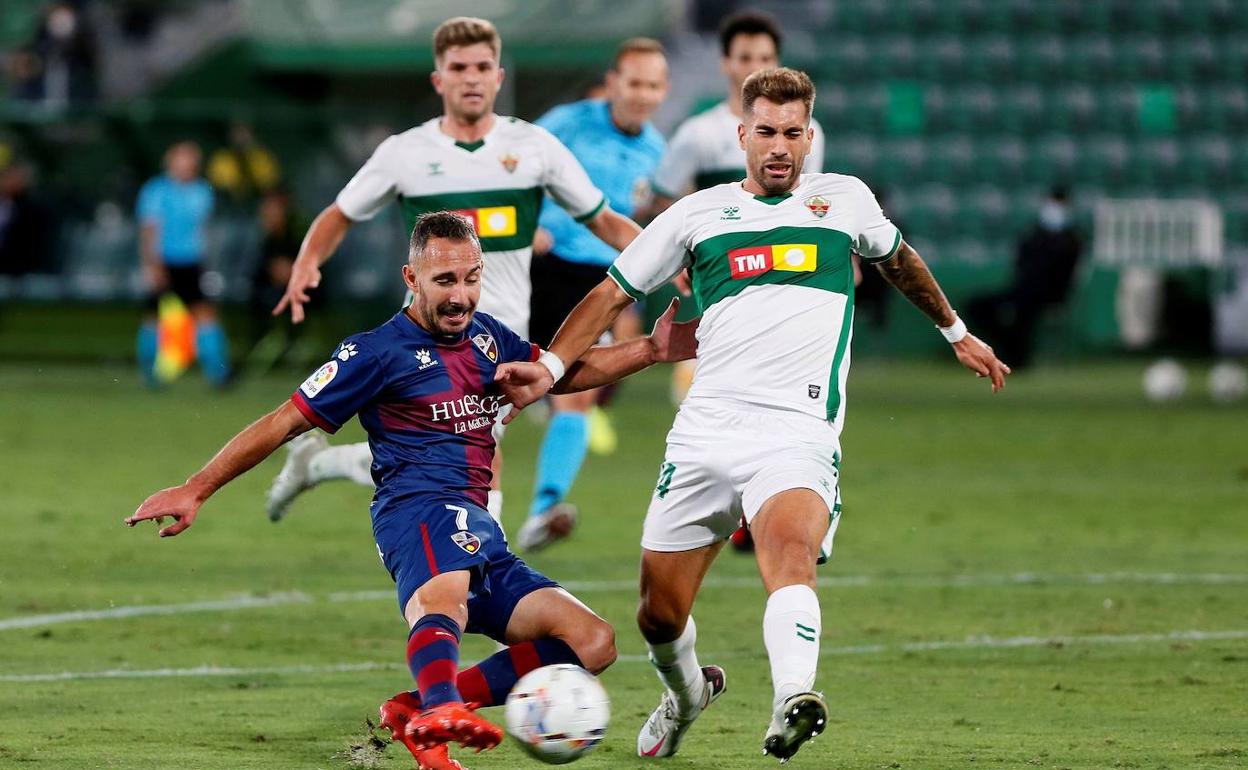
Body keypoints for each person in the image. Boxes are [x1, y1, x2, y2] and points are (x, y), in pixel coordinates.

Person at [494, 68, 1010, 763]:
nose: (779, 146)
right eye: (765, 131)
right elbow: (612, 293)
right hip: (705, 431)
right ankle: (685, 696)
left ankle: (793, 698)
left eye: (793, 133)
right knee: (657, 613)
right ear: (742, 134)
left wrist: (956, 332)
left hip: (798, 433)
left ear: (809, 137)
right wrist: (553, 369)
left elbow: (899, 260)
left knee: (789, 554)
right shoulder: (697, 216)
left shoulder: (844, 201)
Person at [125, 211, 697, 770]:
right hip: (415, 510)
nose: (461, 296)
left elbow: (562, 373)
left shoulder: (488, 339)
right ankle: (442, 708)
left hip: (477, 525)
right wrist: (197, 488)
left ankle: (419, 708)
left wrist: (649, 349)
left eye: (471, 279)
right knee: (442, 598)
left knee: (592, 643)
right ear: (411, 279)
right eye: (444, 280)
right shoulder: (374, 352)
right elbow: (283, 421)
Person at [264, 16, 640, 526]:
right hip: (427, 336)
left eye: (482, 66)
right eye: (458, 67)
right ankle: (484, 573)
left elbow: (604, 219)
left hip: (500, 336)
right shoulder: (406, 153)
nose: (471, 77)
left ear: (499, 78)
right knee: (475, 457)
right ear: (439, 80)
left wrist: (664, 259)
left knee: (429, 457)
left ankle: (319, 463)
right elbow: (340, 213)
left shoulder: (534, 149)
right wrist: (308, 260)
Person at [516, 37, 669, 551]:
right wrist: (528, 223)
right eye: (634, 82)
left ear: (663, 90)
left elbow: (647, 216)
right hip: (538, 266)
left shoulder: (657, 150)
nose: (642, 94)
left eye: (652, 85)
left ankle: (543, 509)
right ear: (613, 82)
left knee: (576, 396)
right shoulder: (567, 122)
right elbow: (512, 165)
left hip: (598, 282)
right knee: (475, 393)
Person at [135, 141, 231, 387]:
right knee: (154, 318)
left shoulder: (202, 191)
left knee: (204, 314)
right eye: (182, 159)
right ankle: (150, 373)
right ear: (170, 162)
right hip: (163, 261)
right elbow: (149, 229)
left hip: (191, 262)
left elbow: (203, 230)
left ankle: (219, 373)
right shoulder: (155, 190)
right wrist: (152, 264)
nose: (187, 165)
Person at [966, 187, 1083, 368]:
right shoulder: (1035, 234)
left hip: (1050, 294)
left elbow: (1062, 273)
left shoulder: (1072, 240)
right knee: (976, 306)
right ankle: (1007, 347)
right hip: (1021, 290)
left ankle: (1017, 358)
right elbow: (1020, 262)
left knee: (1024, 312)